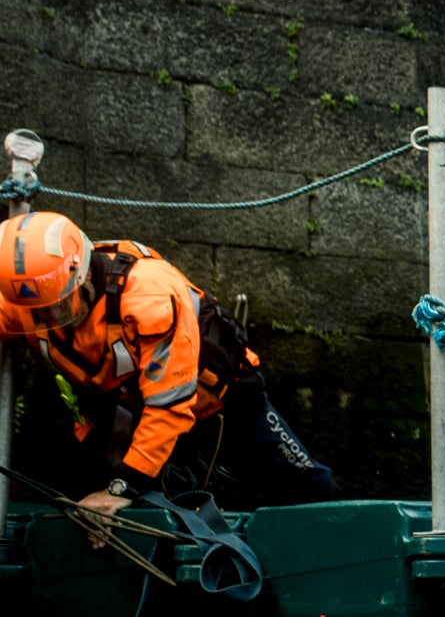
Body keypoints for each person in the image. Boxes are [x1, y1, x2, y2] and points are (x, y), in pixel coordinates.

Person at [0, 211, 335, 519]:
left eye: (57, 308)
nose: (46, 320)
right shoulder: (26, 300)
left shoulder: (148, 298)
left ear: (83, 273)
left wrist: (123, 488)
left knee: (307, 485)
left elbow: (169, 405)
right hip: (126, 413)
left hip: (223, 398)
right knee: (109, 501)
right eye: (35, 313)